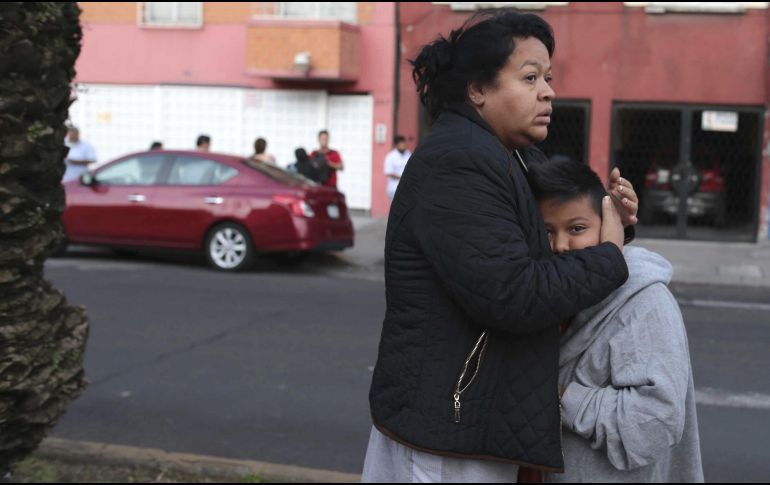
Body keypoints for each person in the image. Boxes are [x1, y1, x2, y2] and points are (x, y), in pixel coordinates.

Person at [362, 9, 639, 483]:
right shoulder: (458, 162)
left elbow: (540, 245)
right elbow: (512, 291)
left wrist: (608, 224)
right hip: (444, 439)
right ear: (478, 90)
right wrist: (606, 257)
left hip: (472, 422)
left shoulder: (508, 156)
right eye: (530, 77)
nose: (549, 91)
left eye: (548, 77)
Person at [526, 159, 704, 483]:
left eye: (577, 229)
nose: (561, 245)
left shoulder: (643, 301)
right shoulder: (546, 294)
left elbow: (656, 420)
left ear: (610, 225)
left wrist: (563, 396)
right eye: (546, 231)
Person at [384, 135, 412, 201]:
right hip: (394, 188)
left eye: (404, 143)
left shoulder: (408, 154)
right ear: (396, 145)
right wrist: (403, 178)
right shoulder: (391, 156)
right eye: (401, 144)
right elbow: (389, 172)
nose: (404, 145)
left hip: (407, 188)